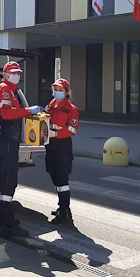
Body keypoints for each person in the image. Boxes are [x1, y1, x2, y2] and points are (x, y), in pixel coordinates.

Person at [0, 61, 42, 237]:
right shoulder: (5, 89)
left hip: (9, 138)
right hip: (6, 137)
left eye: (19, 73)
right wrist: (29, 110)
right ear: (5, 74)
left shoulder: (12, 90)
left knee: (6, 177)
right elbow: (6, 114)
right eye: (14, 73)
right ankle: (7, 222)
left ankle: (2, 217)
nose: (17, 76)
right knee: (9, 178)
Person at [44, 79, 79, 224]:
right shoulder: (49, 106)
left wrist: (55, 134)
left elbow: (72, 129)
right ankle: (64, 206)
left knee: (62, 179)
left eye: (60, 89)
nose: (57, 92)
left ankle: (63, 211)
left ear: (66, 92)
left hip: (63, 144)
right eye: (55, 89)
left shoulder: (72, 109)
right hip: (50, 144)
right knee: (53, 173)